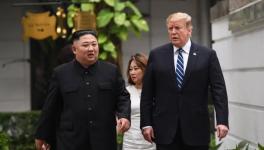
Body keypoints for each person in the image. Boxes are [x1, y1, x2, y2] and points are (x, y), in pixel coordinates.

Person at [140, 12, 229, 150]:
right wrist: (146, 123)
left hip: (197, 130)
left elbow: (219, 90)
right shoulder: (157, 55)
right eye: (170, 28)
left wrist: (222, 121)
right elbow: (147, 93)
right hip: (165, 130)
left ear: (189, 30)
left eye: (177, 28)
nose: (173, 32)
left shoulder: (207, 55)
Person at [35, 29, 131, 150]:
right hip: (70, 140)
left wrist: (124, 116)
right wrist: (42, 135)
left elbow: (122, 97)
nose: (91, 49)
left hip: (103, 139)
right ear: (74, 49)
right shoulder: (61, 73)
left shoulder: (111, 71)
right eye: (86, 45)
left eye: (94, 44)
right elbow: (50, 107)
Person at [120, 53, 156, 150]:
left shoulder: (155, 91)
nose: (132, 72)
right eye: (130, 69)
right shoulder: (125, 92)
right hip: (130, 142)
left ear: (145, 69)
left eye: (136, 68)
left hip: (151, 141)